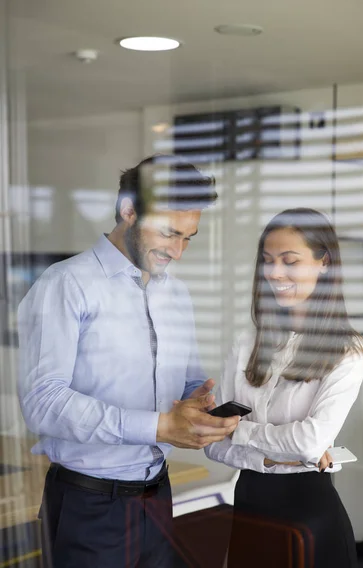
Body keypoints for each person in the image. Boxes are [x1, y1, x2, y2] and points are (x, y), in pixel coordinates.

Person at [17, 155, 239, 568]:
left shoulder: (176, 294)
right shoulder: (65, 285)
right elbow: (43, 402)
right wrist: (159, 426)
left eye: (188, 237)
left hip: (157, 497)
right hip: (89, 506)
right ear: (128, 210)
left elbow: (187, 383)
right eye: (169, 233)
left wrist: (203, 407)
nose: (178, 251)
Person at [205, 207, 363, 568]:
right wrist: (271, 457)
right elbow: (212, 445)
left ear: (323, 263)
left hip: (310, 518)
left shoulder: (346, 351)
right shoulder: (246, 344)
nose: (275, 272)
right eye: (267, 260)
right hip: (248, 510)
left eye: (289, 261)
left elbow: (310, 442)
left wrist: (239, 431)